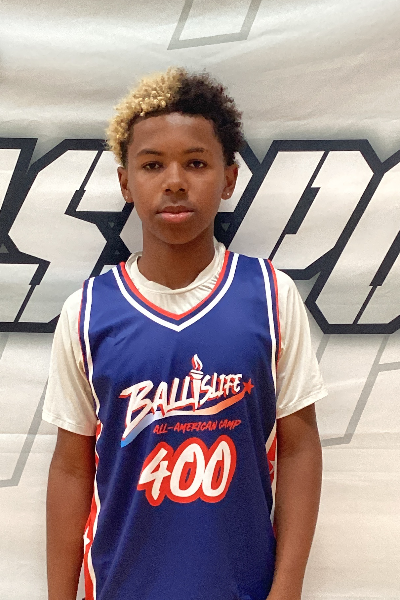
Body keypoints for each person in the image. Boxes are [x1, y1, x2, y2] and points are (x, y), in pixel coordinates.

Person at [43, 66, 328, 600]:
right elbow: (70, 469)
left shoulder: (270, 296)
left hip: (242, 587)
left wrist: (287, 588)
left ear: (229, 178)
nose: (174, 181)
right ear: (125, 182)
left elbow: (298, 448)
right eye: (152, 164)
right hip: (121, 586)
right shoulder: (87, 311)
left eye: (196, 163)